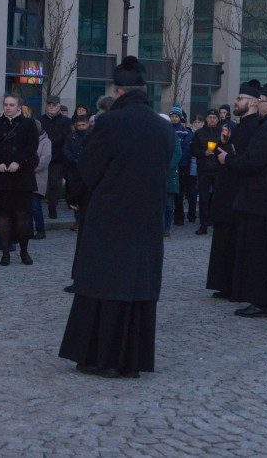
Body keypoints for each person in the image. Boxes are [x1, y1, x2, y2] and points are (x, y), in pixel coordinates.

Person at [59, 57, 174, 378]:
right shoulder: (163, 128)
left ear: (119, 91)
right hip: (148, 220)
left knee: (104, 288)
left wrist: (78, 200)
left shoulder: (109, 123)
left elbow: (88, 170)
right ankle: (131, 360)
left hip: (109, 219)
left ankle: (99, 357)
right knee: (136, 288)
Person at [217, 79, 267, 318]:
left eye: (261, 102)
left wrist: (227, 160)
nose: (258, 105)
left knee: (261, 256)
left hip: (263, 202)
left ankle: (263, 301)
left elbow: (252, 162)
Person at [205, 81, 262, 298]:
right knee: (225, 240)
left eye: (240, 99)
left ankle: (234, 286)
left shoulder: (256, 126)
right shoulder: (241, 126)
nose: (235, 102)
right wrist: (226, 143)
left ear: (253, 102)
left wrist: (228, 157)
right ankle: (225, 284)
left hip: (239, 193)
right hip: (228, 191)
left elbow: (247, 160)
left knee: (234, 241)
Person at [0, 94, 39, 267]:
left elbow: (32, 146)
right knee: (3, 215)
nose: (8, 107)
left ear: (19, 107)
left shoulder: (28, 124)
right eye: (6, 104)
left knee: (22, 215)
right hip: (1, 175)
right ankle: (5, 252)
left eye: (12, 105)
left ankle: (24, 251)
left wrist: (18, 162)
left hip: (21, 176)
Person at [189, 109, 223, 235]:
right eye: (209, 117)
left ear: (218, 119)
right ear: (206, 119)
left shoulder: (222, 132)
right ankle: (203, 225)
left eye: (214, 117)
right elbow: (192, 149)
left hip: (218, 169)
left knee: (217, 198)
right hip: (203, 170)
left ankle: (216, 223)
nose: (212, 119)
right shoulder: (199, 133)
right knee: (203, 199)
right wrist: (203, 153)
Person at [40, 95, 71, 220]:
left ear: (58, 106)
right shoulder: (41, 120)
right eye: (49, 105)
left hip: (57, 158)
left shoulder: (66, 121)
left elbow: (65, 138)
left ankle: (52, 208)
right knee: (40, 185)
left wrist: (50, 143)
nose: (51, 107)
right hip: (41, 157)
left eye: (54, 105)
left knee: (54, 184)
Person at [169, 105, 196, 226]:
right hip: (169, 166)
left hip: (181, 167)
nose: (174, 118)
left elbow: (186, 150)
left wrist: (178, 162)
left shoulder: (186, 132)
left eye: (176, 116)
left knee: (179, 193)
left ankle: (179, 218)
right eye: (172, 116)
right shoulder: (167, 130)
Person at [63, 115, 90, 233]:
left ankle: (85, 220)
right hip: (74, 169)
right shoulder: (72, 137)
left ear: (87, 124)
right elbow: (66, 150)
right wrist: (74, 160)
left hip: (88, 169)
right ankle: (78, 219)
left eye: (83, 125)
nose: (81, 127)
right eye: (79, 125)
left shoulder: (91, 136)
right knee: (74, 193)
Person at [31, 120, 53, 240]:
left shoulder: (46, 142)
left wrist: (30, 169)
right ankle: (28, 230)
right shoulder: (27, 140)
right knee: (26, 207)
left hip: (38, 178)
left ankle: (41, 230)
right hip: (26, 179)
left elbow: (44, 160)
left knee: (35, 206)